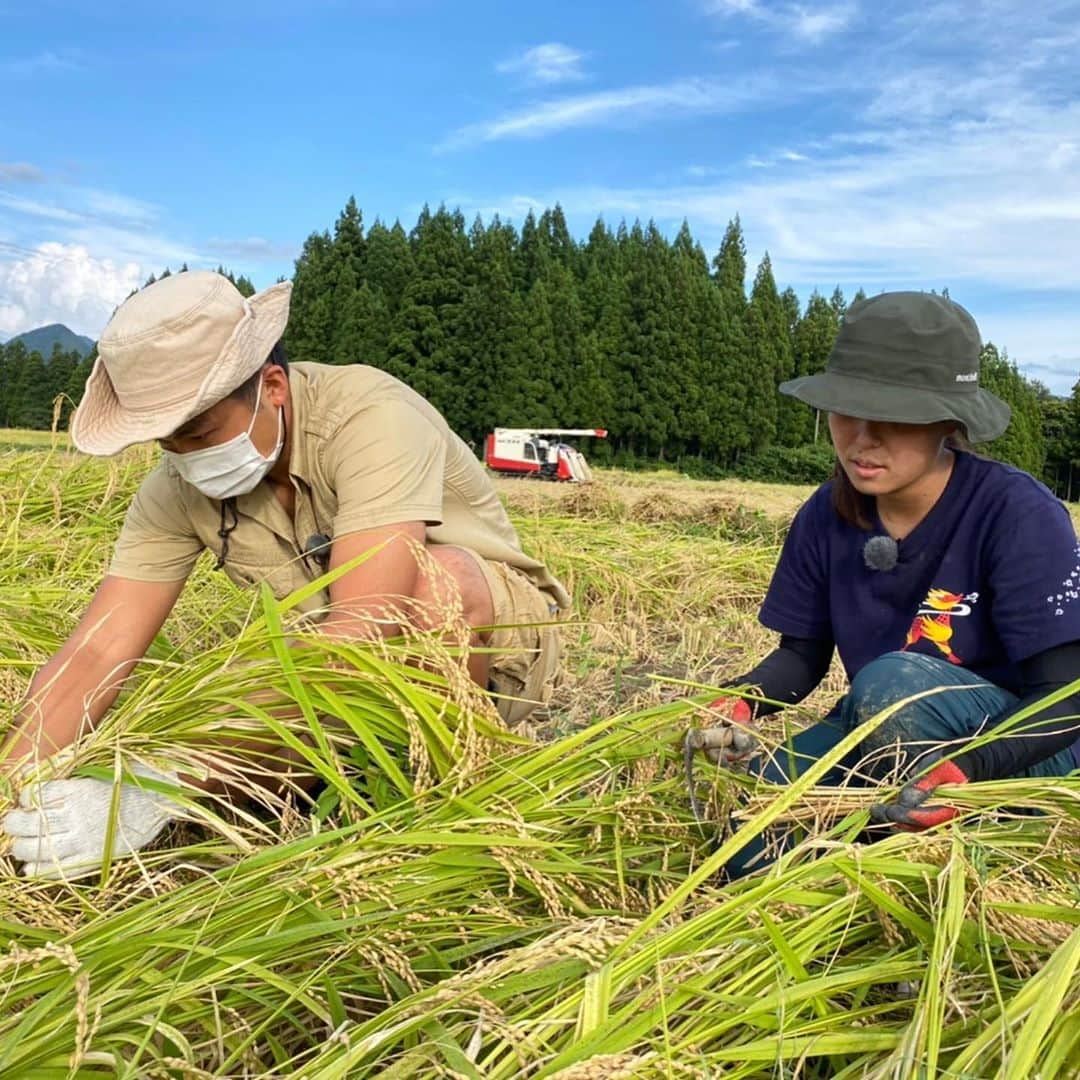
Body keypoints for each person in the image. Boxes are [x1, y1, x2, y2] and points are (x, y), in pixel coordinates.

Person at [2, 270, 568, 878]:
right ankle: (332, 778)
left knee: (436, 582)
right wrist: (14, 788)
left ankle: (440, 805)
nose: (186, 459)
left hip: (494, 654)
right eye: (167, 442)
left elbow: (369, 627)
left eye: (199, 433)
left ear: (272, 386)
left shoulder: (370, 415)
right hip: (325, 668)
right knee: (230, 677)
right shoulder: (175, 486)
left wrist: (162, 783)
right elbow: (98, 650)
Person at [695, 291, 1080, 876]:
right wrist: (740, 703)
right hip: (885, 729)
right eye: (848, 411)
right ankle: (877, 837)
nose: (863, 438)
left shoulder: (1016, 513)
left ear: (948, 422)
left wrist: (968, 769)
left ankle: (976, 839)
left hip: (1023, 751)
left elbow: (1064, 699)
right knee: (747, 838)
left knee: (896, 680)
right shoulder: (826, 515)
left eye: (895, 417)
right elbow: (802, 658)